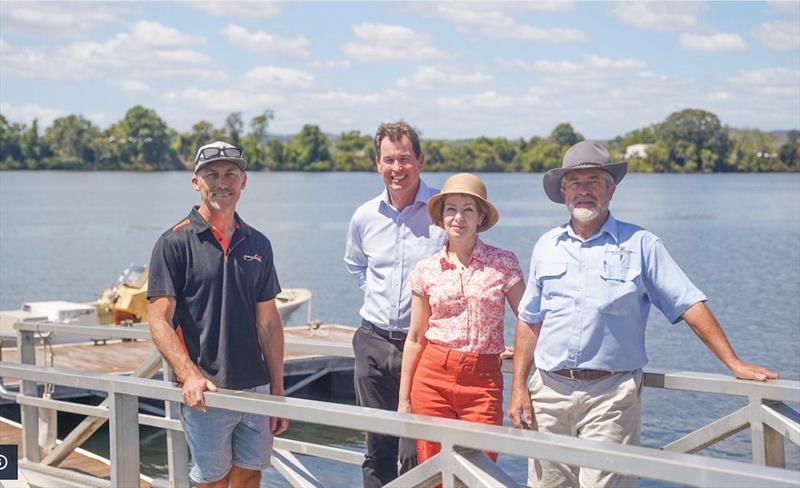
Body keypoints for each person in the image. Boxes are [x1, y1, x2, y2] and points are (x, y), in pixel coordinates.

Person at [508, 140, 778, 488]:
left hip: (610, 396)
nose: (584, 191)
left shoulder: (641, 245)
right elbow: (530, 318)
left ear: (611, 189)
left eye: (594, 181)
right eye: (575, 182)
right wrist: (518, 386)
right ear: (563, 192)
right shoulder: (547, 245)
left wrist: (733, 363)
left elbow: (688, 303)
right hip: (547, 390)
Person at [147, 141, 288, 488]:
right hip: (207, 391)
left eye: (230, 174)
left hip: (257, 388)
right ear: (196, 182)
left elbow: (269, 323)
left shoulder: (258, 243)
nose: (222, 182)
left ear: (244, 181)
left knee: (249, 475)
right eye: (212, 174)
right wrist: (189, 375)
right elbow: (158, 319)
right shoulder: (174, 243)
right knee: (211, 481)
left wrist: (278, 390)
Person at [344, 122, 447, 487]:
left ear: (420, 160)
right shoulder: (364, 216)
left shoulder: (442, 213)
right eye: (389, 160)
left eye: (404, 158)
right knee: (377, 449)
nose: (397, 168)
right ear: (378, 164)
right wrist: (378, 294)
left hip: (422, 347)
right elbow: (355, 263)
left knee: (416, 451)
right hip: (372, 342)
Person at [398, 173, 525, 465]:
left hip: (483, 380)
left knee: (480, 470)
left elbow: (527, 318)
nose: (459, 217)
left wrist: (520, 353)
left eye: (468, 209)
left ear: (481, 217)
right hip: (432, 377)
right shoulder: (426, 270)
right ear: (441, 217)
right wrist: (404, 399)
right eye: (451, 209)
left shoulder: (504, 263)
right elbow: (416, 337)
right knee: (433, 471)